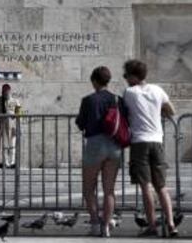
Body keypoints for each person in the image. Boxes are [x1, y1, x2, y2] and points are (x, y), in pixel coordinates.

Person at [122, 59, 178, 237]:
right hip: (157, 140)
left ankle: (152, 225)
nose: (125, 79)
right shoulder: (157, 90)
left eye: (126, 75)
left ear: (132, 76)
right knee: (161, 186)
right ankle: (170, 224)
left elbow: (125, 113)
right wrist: (156, 111)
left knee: (146, 186)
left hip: (139, 142)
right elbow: (171, 111)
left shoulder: (129, 92)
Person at [75, 66, 124, 237]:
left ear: (94, 81)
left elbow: (80, 123)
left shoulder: (88, 100)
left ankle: (95, 223)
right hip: (114, 145)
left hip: (95, 144)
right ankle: (106, 227)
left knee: (89, 187)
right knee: (109, 190)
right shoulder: (117, 100)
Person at [0, 84, 21, 169]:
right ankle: (6, 163)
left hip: (13, 126)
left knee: (12, 145)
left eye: (7, 92)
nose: (5, 94)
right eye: (4, 92)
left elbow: (19, 115)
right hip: (3, 125)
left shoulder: (15, 101)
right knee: (5, 146)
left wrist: (18, 127)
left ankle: (12, 162)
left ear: (9, 91)